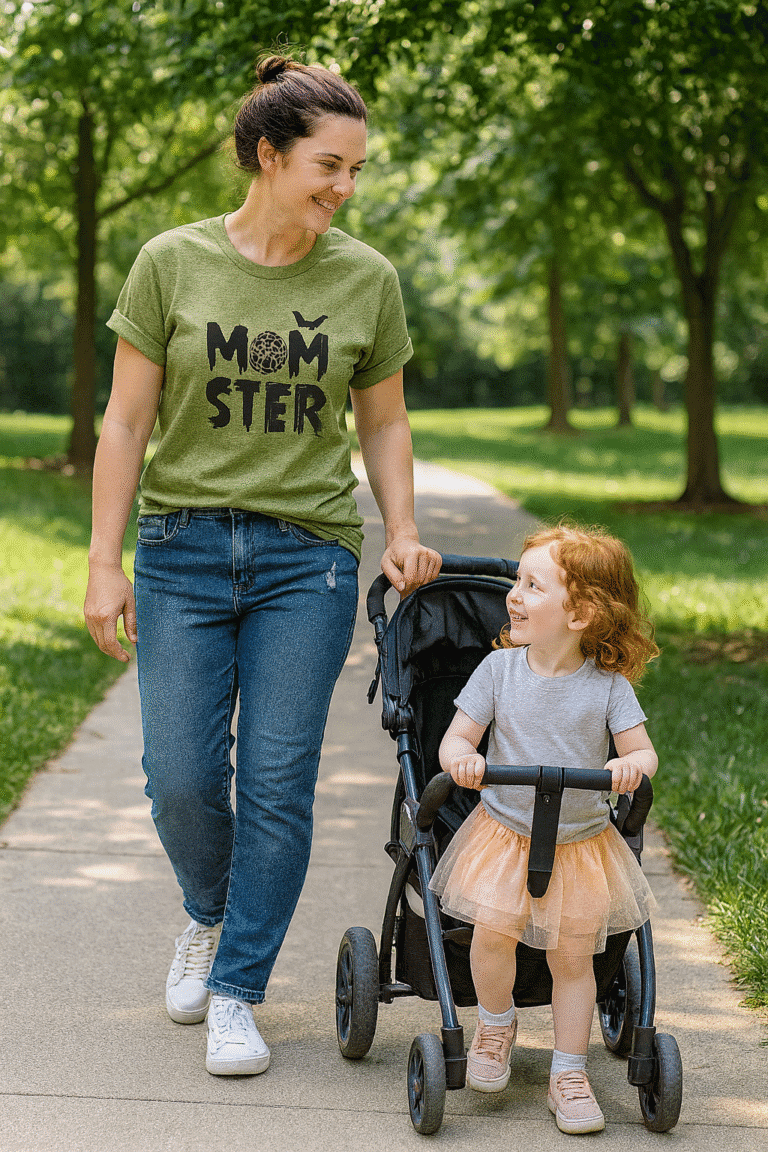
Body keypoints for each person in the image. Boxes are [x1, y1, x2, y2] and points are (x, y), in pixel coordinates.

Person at [84, 54, 441, 1078]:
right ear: (267, 154)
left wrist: (403, 525)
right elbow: (125, 419)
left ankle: (238, 985)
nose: (345, 187)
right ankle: (209, 912)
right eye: (329, 165)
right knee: (182, 780)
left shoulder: (365, 278)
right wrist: (104, 563)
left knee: (279, 784)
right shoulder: (171, 262)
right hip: (181, 549)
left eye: (357, 170)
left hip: (307, 558)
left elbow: (385, 420)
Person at [429, 523, 659, 1134]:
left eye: (533, 585)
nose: (514, 595)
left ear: (581, 612)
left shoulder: (608, 687)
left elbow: (644, 752)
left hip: (580, 844)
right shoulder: (499, 671)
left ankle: (568, 1071)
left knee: (574, 959)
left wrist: (628, 765)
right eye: (517, 582)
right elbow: (458, 736)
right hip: (505, 835)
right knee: (491, 937)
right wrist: (462, 757)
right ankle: (495, 1027)